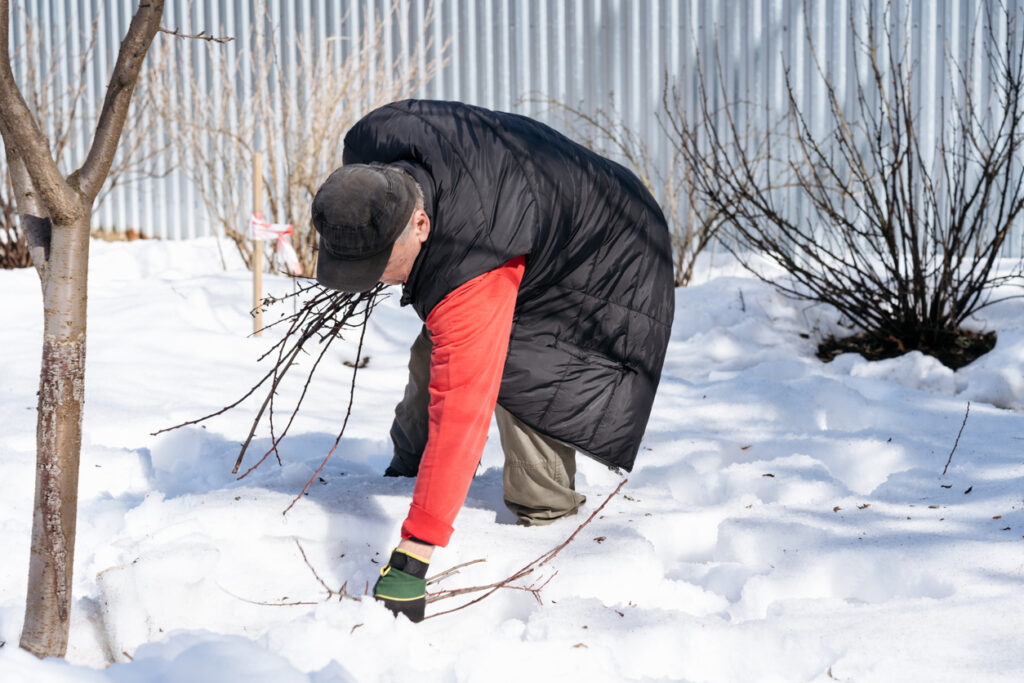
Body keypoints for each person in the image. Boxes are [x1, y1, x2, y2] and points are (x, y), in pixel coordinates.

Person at [310, 100, 674, 622]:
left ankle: (553, 531)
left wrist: (415, 553)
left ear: (419, 224)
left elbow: (463, 409)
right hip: (527, 205)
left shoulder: (475, 257)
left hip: (611, 246)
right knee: (437, 346)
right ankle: (406, 474)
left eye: (379, 266)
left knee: (529, 372)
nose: (373, 281)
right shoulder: (370, 162)